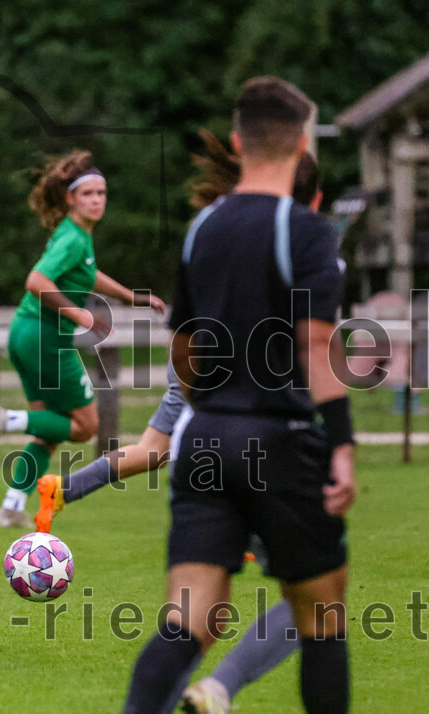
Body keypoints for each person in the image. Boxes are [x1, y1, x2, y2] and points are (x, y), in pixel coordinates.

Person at [36, 135, 324, 714]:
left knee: (152, 452)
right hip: (240, 406)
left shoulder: (210, 227)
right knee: (313, 598)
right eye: (89, 192)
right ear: (310, 199)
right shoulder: (300, 238)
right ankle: (221, 680)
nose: (98, 200)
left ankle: (62, 486)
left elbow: (178, 326)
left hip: (197, 369)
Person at [123, 77, 356, 714]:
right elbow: (315, 345)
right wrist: (342, 445)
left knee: (188, 620)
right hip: (279, 440)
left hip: (204, 438)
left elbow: (183, 343)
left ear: (237, 142)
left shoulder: (203, 226)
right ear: (302, 141)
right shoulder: (303, 229)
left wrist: (208, 412)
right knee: (322, 613)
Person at [0, 150, 165, 528]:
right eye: (88, 193)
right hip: (46, 338)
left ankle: (11, 507)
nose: (97, 200)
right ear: (70, 198)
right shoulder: (74, 238)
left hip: (25, 334)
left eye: (101, 193)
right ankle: (5, 419)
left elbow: (87, 275)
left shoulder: (75, 235)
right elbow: (36, 281)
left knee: (49, 428)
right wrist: (78, 313)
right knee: (85, 427)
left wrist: (132, 297)